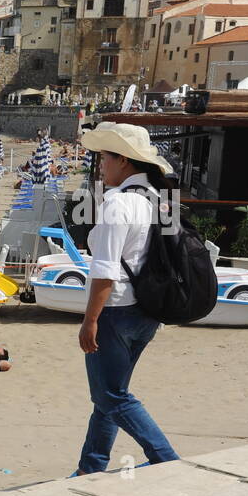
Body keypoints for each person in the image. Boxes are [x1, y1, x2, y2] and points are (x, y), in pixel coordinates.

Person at [73, 122, 181, 475]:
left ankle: (166, 459)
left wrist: (90, 320)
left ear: (123, 161)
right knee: (110, 393)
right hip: (148, 311)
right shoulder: (161, 201)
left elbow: (105, 270)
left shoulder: (118, 204)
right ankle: (91, 466)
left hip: (116, 312)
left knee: (111, 396)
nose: (101, 166)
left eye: (105, 158)